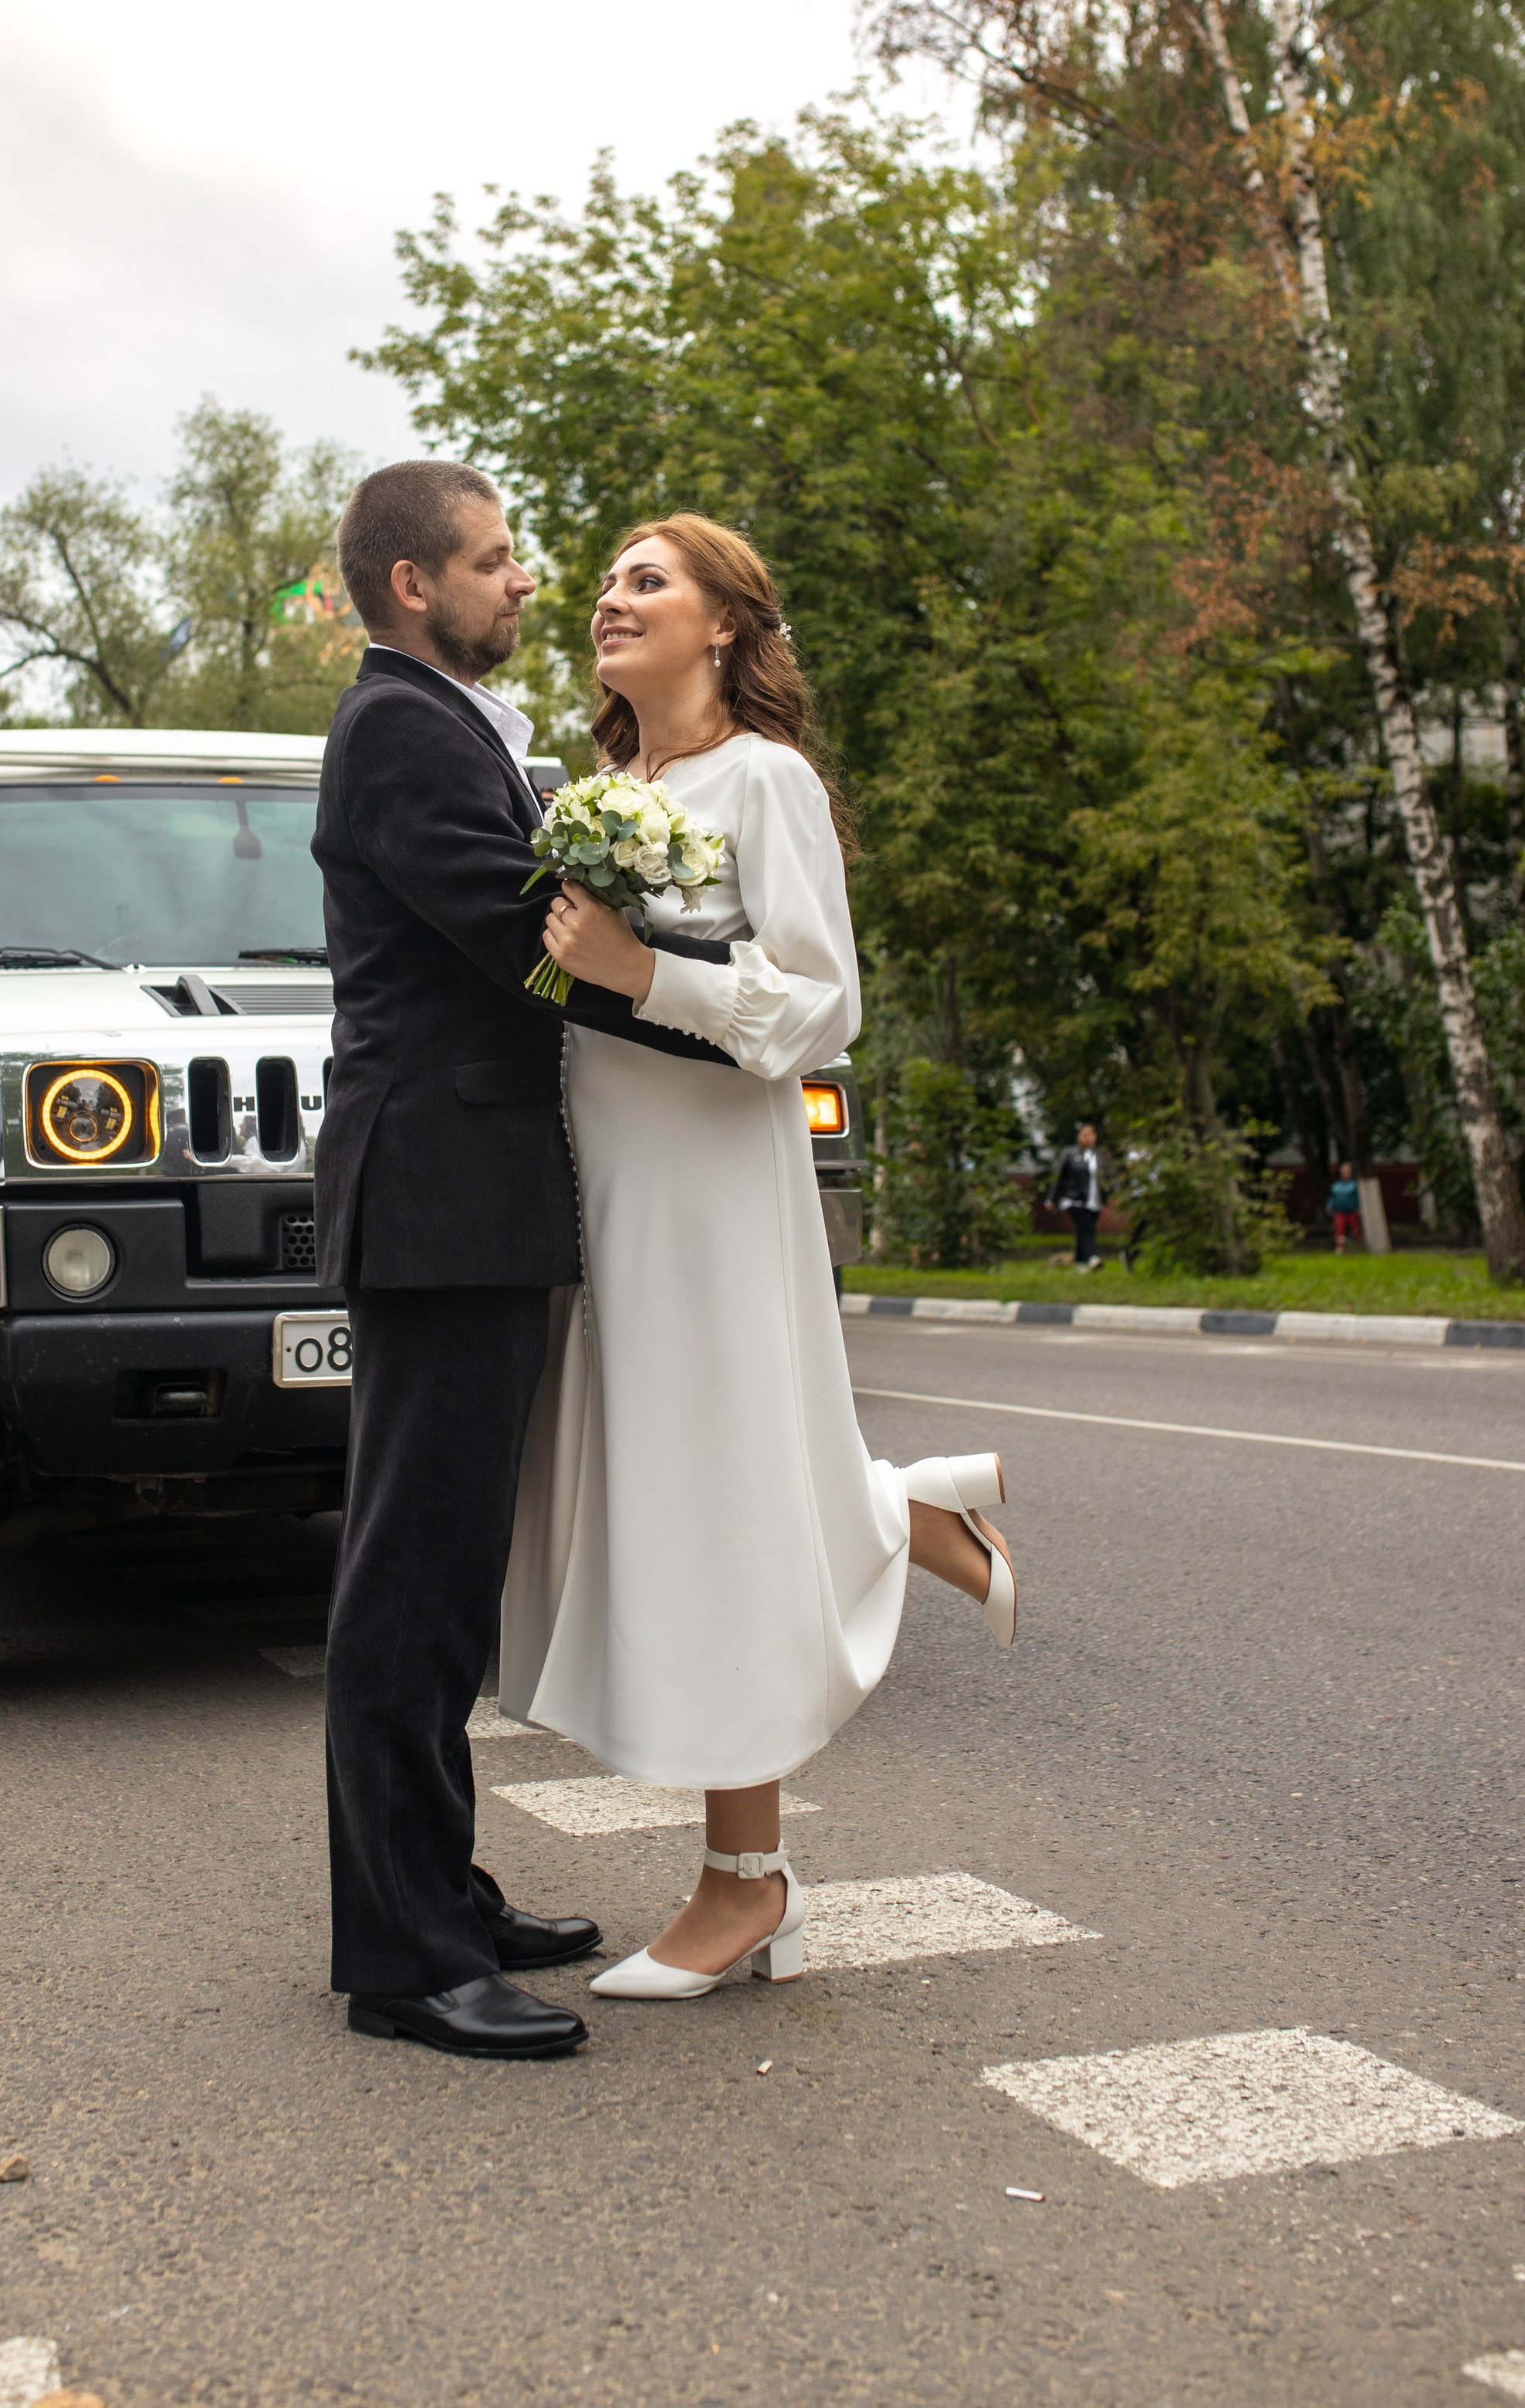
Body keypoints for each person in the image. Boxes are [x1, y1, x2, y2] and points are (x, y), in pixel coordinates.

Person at [499, 514, 1016, 2001]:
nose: (611, 595)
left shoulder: (766, 779)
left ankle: (746, 1884)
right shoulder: (603, 791)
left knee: (716, 1505)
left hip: (718, 1182)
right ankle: (907, 1507)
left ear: (724, 623)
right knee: (674, 1496)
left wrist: (642, 967)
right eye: (606, 580)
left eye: (647, 578)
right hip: (608, 1180)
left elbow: (823, 1006)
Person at [312, 459, 742, 2065]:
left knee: (441, 1584)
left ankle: (442, 1892)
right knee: (405, 1587)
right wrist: (728, 1000)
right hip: (434, 1196)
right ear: (417, 585)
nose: (524, 582)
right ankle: (402, 1957)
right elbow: (526, 937)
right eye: (495, 561)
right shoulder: (399, 731)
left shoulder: (442, 724)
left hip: (464, 1195)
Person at [1049, 1123, 1106, 1271]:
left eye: (1090, 1135)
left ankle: (1081, 1264)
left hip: (1094, 1200)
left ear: (1095, 1137)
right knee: (1087, 1228)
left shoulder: (1099, 1156)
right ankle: (1093, 1258)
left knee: (1083, 1230)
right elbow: (1059, 1177)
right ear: (1078, 1137)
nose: (1087, 1138)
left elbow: (1107, 1177)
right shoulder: (1070, 1154)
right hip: (1074, 1199)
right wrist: (1052, 1199)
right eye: (1083, 1135)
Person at [1327, 1168, 1363, 1250]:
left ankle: (1360, 1246)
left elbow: (1359, 1197)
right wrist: (1329, 1205)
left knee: (1355, 1230)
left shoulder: (1354, 1184)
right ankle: (1339, 1248)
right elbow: (1333, 1197)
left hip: (1352, 1211)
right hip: (1339, 1211)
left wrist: (1360, 1208)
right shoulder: (1336, 1185)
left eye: (1347, 1173)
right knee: (1339, 1230)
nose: (1345, 1175)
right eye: (1344, 1173)